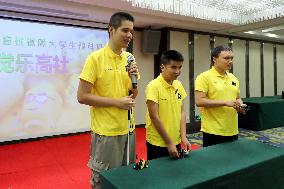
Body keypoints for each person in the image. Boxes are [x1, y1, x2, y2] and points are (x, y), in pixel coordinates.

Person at [77, 12, 138, 189]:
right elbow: (82, 96)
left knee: (125, 177)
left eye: (131, 31)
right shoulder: (95, 59)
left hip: (128, 129)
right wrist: (117, 102)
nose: (129, 35)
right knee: (103, 180)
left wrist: (133, 79)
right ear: (111, 29)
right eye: (125, 30)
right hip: (106, 132)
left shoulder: (129, 58)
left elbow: (133, 95)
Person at [195, 45, 246, 147]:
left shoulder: (233, 78)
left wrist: (240, 104)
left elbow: (237, 98)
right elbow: (199, 101)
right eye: (226, 58)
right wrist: (225, 102)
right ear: (214, 59)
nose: (230, 61)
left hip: (232, 129)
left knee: (232, 161)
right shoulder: (204, 77)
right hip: (213, 131)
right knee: (214, 162)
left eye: (231, 58)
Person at [145, 50, 191, 160]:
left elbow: (182, 112)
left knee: (175, 173)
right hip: (158, 142)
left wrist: (183, 137)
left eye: (180, 67)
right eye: (173, 67)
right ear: (163, 67)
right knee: (158, 175)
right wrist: (169, 143)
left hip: (176, 140)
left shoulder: (178, 85)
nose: (177, 71)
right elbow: (154, 117)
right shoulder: (153, 86)